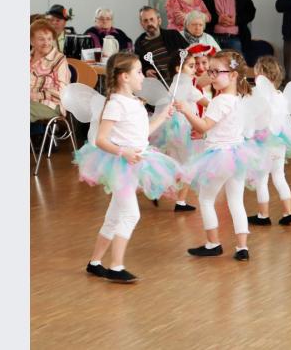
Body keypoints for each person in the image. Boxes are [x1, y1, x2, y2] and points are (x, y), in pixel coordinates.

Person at [75, 52, 180, 283]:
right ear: (124, 77)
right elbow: (101, 139)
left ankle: (95, 263)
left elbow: (142, 134)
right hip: (121, 165)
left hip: (136, 161)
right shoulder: (115, 104)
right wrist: (124, 152)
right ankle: (116, 266)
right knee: (131, 214)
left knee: (114, 216)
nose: (143, 77)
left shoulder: (134, 102)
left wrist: (163, 116)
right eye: (139, 72)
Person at [179, 51, 268, 261]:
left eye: (216, 72)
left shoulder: (219, 101)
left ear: (233, 75)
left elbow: (204, 125)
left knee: (206, 198)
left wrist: (186, 110)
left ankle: (213, 244)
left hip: (219, 157)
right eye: (210, 71)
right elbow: (222, 128)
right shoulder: (239, 99)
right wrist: (204, 133)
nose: (211, 76)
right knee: (236, 200)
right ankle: (242, 247)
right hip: (237, 155)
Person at [248, 56, 291, 226]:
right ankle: (288, 213)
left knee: (261, 179)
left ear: (260, 73)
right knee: (279, 177)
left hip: (262, 142)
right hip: (279, 142)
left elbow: (251, 117)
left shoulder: (256, 94)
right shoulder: (281, 95)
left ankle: (263, 215)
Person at [148, 51, 211, 212]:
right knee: (190, 164)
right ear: (178, 68)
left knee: (175, 162)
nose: (195, 69)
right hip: (185, 130)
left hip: (171, 130)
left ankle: (156, 184)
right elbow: (209, 105)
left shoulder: (174, 85)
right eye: (191, 66)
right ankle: (180, 201)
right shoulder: (188, 87)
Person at [134, 6, 189, 82]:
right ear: (141, 24)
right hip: (159, 84)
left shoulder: (173, 35)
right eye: (145, 20)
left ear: (159, 20)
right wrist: (146, 71)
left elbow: (189, 53)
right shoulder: (139, 44)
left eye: (152, 19)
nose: (149, 23)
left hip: (181, 79)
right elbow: (138, 66)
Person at [30, 19, 71, 122]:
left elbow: (62, 92)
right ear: (31, 41)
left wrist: (37, 95)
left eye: (49, 39)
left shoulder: (59, 60)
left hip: (50, 104)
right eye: (41, 39)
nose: (46, 43)